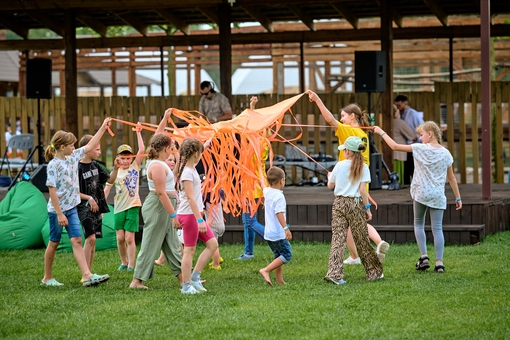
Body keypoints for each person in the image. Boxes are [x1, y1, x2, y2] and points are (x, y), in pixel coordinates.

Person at [307, 90, 390, 265]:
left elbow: (329, 119)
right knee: (352, 223)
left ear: (352, 116)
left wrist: (317, 100)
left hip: (348, 184)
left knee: (354, 222)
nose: (341, 119)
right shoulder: (362, 134)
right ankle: (355, 256)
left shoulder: (348, 131)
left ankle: (377, 242)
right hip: (359, 182)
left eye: (343, 116)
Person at [374, 121, 462, 273]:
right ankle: (439, 263)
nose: (420, 139)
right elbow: (452, 177)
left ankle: (424, 256)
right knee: (437, 228)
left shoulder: (420, 148)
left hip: (421, 193)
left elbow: (394, 146)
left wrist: (381, 132)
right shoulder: (446, 153)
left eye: (421, 135)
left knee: (419, 223)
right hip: (437, 195)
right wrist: (458, 198)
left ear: (430, 134)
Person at [41, 118, 112, 287]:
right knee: (54, 242)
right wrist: (59, 214)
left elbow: (89, 145)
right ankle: (47, 278)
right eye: (71, 145)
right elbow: (52, 190)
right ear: (62, 147)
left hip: (72, 208)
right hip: (56, 210)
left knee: (77, 240)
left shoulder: (72, 158)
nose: (74, 148)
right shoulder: (53, 165)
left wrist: (102, 127)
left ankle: (87, 275)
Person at [324, 136, 383, 284]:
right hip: (355, 204)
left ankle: (334, 274)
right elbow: (363, 191)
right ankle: (373, 272)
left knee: (338, 239)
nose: (344, 151)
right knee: (362, 239)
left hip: (339, 204)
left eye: (344, 149)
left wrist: (330, 177)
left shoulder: (339, 165)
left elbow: (330, 186)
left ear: (349, 151)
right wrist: (367, 208)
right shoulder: (364, 167)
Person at [129, 131, 182, 289]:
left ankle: (184, 278)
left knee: (172, 244)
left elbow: (158, 134)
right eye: (171, 147)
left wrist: (165, 119)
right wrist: (173, 215)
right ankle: (136, 280)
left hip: (164, 205)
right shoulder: (157, 165)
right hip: (158, 206)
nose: (171, 151)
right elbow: (160, 193)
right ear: (166, 148)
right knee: (150, 242)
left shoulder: (157, 161)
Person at [176, 137, 218, 294]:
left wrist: (205, 145)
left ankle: (195, 277)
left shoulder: (189, 166)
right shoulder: (187, 172)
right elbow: (190, 198)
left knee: (212, 244)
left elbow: (196, 154)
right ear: (195, 153)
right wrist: (199, 219)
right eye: (200, 152)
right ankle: (186, 286)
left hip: (193, 216)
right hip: (189, 216)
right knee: (189, 251)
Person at [77, 134, 120, 273]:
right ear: (87, 150)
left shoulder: (95, 165)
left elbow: (110, 180)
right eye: (97, 149)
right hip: (83, 208)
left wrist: (116, 168)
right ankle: (86, 273)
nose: (99, 152)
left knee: (93, 240)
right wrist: (89, 198)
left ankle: (89, 272)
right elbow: (72, 191)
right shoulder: (77, 168)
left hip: (97, 208)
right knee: (90, 238)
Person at [104, 131, 144, 271]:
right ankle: (124, 262)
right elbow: (107, 189)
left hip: (133, 206)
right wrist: (102, 206)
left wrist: (138, 132)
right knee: (120, 238)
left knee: (129, 238)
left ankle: (132, 265)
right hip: (119, 208)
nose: (126, 161)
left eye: (128, 158)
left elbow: (142, 150)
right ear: (117, 159)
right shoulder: (115, 172)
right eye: (123, 158)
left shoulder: (135, 167)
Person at [238, 96, 267, 260]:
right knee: (247, 221)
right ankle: (248, 252)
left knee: (249, 221)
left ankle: (277, 239)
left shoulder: (256, 143)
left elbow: (251, 125)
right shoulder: (260, 141)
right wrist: (252, 106)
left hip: (252, 186)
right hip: (251, 185)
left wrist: (252, 107)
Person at [258, 166, 292, 286]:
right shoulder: (279, 196)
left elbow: (262, 183)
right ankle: (266, 270)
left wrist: (259, 170)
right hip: (278, 233)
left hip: (269, 233)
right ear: (282, 180)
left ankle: (280, 280)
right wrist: (286, 228)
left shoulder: (267, 191)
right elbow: (279, 213)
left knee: (278, 255)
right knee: (287, 255)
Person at [394, 94, 424, 185]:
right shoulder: (400, 114)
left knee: (413, 168)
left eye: (399, 105)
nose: (398, 108)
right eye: (396, 106)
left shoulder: (413, 114)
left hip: (414, 143)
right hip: (406, 145)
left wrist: (417, 139)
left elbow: (422, 127)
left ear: (405, 103)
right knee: (407, 168)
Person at [391, 104, 418, 185]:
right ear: (396, 112)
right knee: (400, 176)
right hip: (399, 154)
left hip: (388, 155)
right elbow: (413, 137)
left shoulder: (384, 122)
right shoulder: (400, 123)